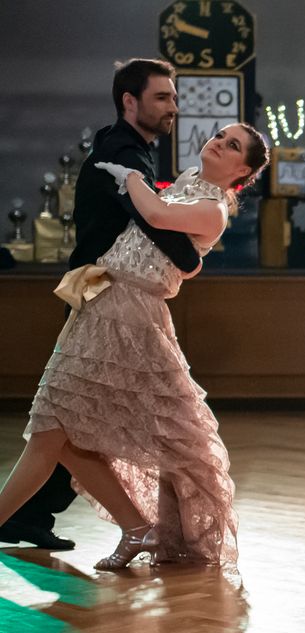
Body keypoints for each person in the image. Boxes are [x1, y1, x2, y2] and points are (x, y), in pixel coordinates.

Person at [0, 121, 269, 570]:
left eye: (233, 145)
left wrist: (130, 178)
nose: (219, 143)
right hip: (103, 301)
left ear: (242, 172)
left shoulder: (213, 211)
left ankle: (133, 526)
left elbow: (158, 217)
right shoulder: (187, 183)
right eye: (220, 136)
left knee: (52, 428)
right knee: (56, 429)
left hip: (130, 315)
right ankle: (135, 526)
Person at [0, 58, 200, 552]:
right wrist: (193, 256)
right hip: (101, 297)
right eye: (161, 97)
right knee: (66, 423)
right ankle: (45, 517)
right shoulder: (122, 151)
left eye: (173, 97)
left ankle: (33, 516)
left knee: (69, 424)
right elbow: (152, 222)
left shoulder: (130, 148)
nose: (172, 106)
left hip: (104, 294)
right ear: (129, 101)